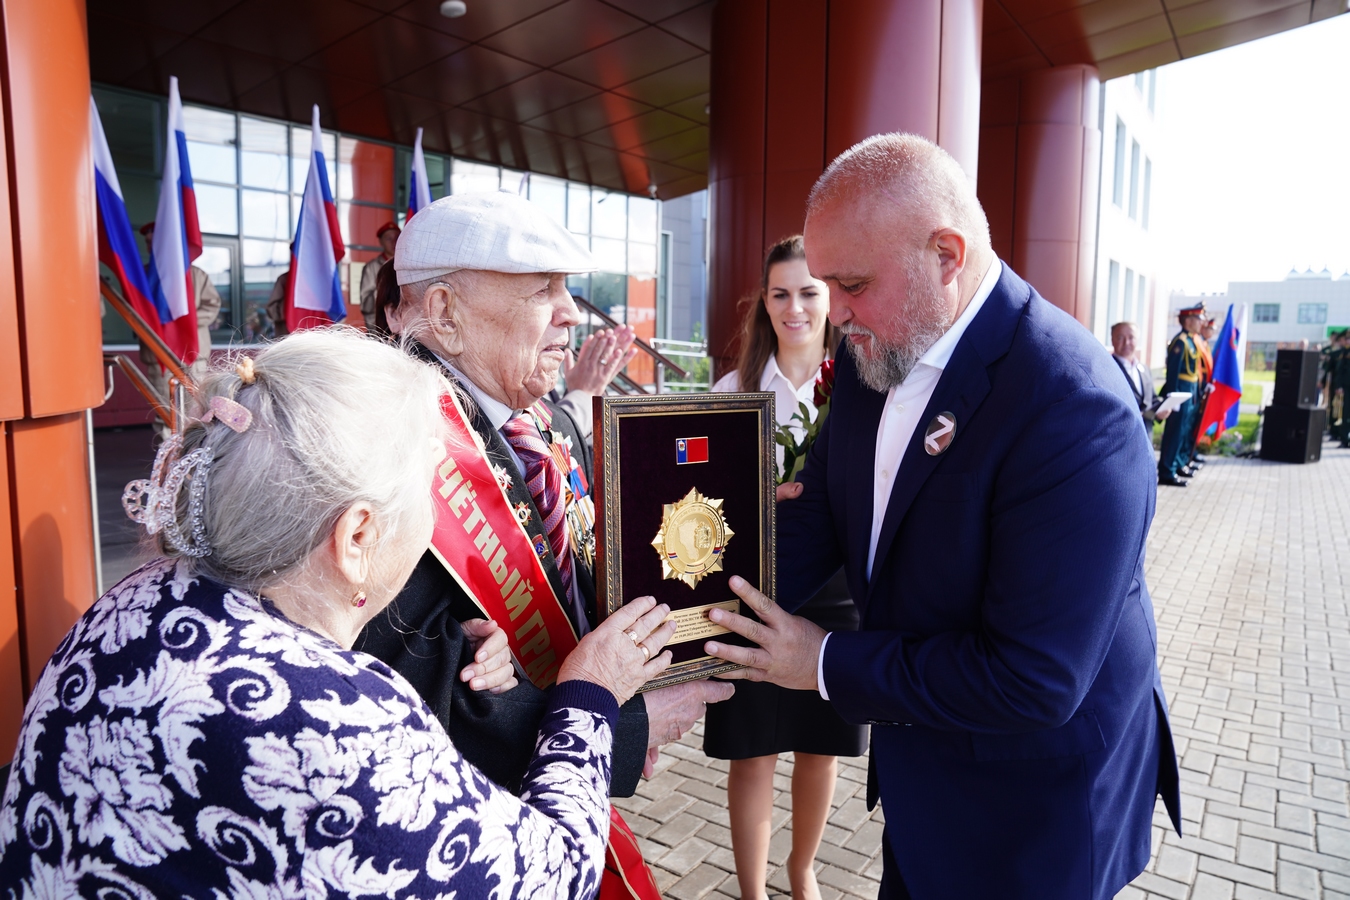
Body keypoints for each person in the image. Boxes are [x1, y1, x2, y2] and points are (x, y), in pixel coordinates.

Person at [0, 328, 678, 899]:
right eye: (429, 492)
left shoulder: (130, 601)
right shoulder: (337, 724)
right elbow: (555, 875)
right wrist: (588, 694)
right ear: (357, 537)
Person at [703, 133, 1181, 900]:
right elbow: (818, 516)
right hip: (924, 785)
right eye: (825, 284)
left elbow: (1033, 679)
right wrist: (677, 618)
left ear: (947, 257)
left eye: (850, 284)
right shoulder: (872, 352)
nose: (834, 313)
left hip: (1036, 813)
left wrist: (820, 661)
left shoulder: (1074, 407)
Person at [358, 192, 733, 804]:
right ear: (444, 312)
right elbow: (424, 691)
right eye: (541, 290)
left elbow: (576, 553)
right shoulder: (385, 452)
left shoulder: (529, 418)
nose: (571, 313)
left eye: (565, 288)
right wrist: (623, 732)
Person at [706, 235, 863, 900]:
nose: (794, 307)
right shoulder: (732, 388)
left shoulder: (862, 387)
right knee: (753, 749)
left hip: (836, 590)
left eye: (808, 292)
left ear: (830, 299)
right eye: (780, 294)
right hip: (751, 588)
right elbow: (696, 504)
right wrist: (746, 500)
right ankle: (752, 892)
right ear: (763, 303)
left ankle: (803, 871)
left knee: (820, 743)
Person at [137, 221, 222, 421]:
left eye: (154, 241)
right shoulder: (142, 277)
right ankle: (169, 452)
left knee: (197, 409)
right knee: (164, 411)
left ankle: (193, 450)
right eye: (147, 242)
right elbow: (136, 311)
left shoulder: (195, 275)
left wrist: (183, 323)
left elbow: (212, 306)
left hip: (193, 353)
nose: (150, 245)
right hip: (159, 354)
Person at [1158, 305, 1204, 486]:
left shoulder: (1191, 340)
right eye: (1198, 319)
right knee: (1175, 431)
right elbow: (1173, 372)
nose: (1201, 323)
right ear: (1188, 320)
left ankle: (1177, 464)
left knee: (1184, 430)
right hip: (1180, 390)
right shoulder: (1180, 342)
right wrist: (1172, 398)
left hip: (1190, 390)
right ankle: (1167, 470)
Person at [1111, 321, 1170, 429]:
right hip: (1123, 433)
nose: (1126, 342)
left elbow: (1152, 399)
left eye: (1131, 338)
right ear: (1112, 340)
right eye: (1120, 337)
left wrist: (1161, 410)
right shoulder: (1108, 368)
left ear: (1137, 340)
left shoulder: (1145, 369)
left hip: (1146, 432)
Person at [359, 220, 400, 334]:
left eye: (397, 238)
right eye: (389, 239)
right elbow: (366, 305)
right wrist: (384, 289)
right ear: (381, 242)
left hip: (403, 330)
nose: (394, 242)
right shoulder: (371, 268)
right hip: (379, 331)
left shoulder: (405, 265)